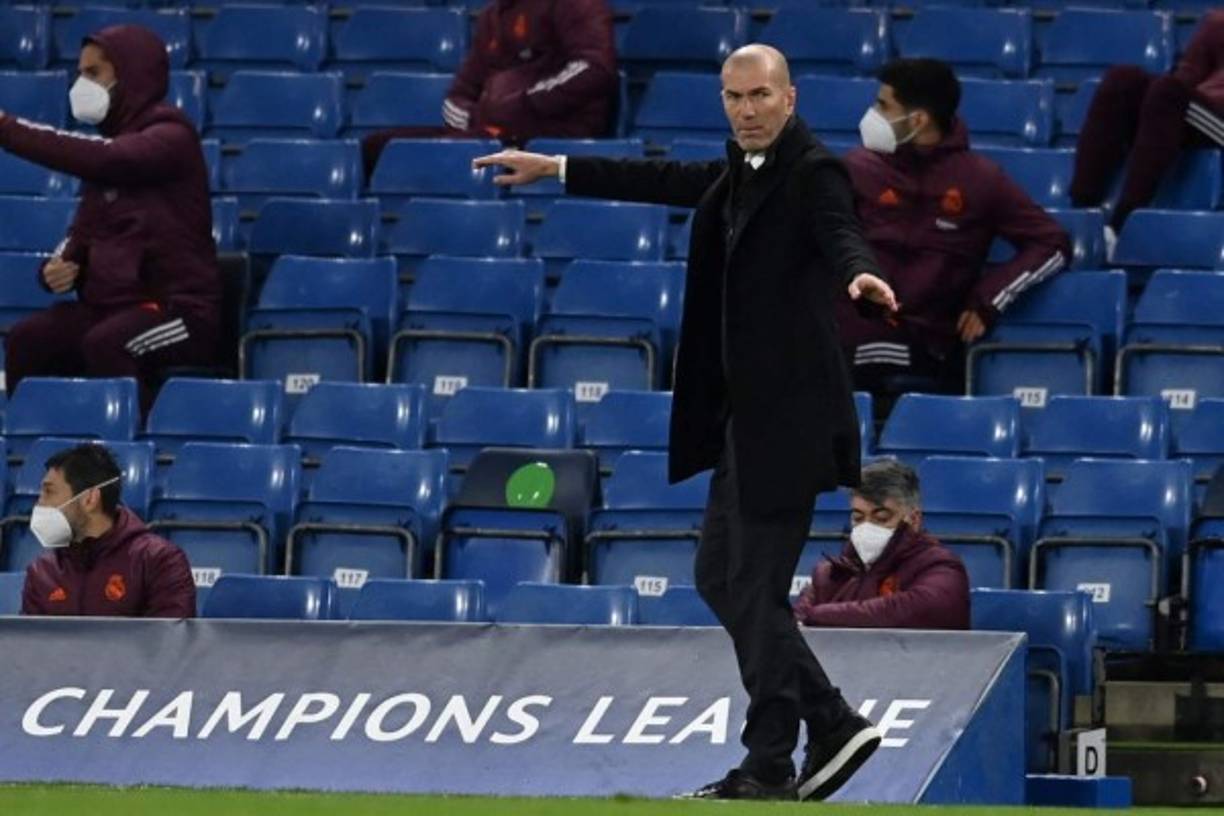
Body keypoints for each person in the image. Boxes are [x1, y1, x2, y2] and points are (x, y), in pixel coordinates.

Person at [475, 44, 899, 802]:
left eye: (760, 96)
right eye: (734, 98)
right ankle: (804, 739)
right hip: (743, 421)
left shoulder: (813, 172)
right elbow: (663, 178)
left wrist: (860, 275)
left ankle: (797, 746)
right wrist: (560, 169)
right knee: (719, 578)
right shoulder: (739, 171)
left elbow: (841, 234)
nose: (746, 110)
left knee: (753, 588)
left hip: (792, 421)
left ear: (790, 98)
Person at [0, 25, 221, 414]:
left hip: (181, 312)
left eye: (94, 73)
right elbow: (81, 232)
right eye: (79, 73)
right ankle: (31, 445)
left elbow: (109, 158)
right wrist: (57, 267)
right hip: (109, 309)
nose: (81, 84)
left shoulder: (171, 136)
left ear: (131, 73)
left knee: (108, 343)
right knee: (26, 339)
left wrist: (6, 127)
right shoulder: (108, 153)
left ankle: (133, 450)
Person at [838, 58, 1071, 418]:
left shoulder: (980, 180)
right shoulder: (858, 168)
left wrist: (989, 299)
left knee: (850, 356)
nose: (872, 114)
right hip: (846, 324)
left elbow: (1052, 243)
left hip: (921, 339)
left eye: (884, 106)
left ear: (918, 120)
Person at [360, 0, 617, 176]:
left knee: (448, 154)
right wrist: (481, 116)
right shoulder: (493, 15)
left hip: (548, 136)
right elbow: (459, 94)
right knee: (380, 146)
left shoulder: (574, 5)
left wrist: (523, 105)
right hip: (489, 135)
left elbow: (594, 68)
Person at [1070, 10, 1224, 251]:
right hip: (1196, 108)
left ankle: (1122, 225)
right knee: (1123, 79)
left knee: (1168, 93)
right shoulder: (1218, 21)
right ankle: (1080, 214)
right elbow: (1186, 75)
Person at [22, 444, 196, 618]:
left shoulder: (158, 560)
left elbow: (172, 641)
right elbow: (29, 641)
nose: (39, 504)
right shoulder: (42, 571)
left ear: (90, 499)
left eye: (49, 492)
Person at [794, 460, 970, 630]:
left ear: (914, 519)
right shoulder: (829, 575)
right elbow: (797, 620)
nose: (867, 527)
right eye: (858, 518)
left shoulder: (941, 566)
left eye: (881, 518)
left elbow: (923, 608)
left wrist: (818, 615)